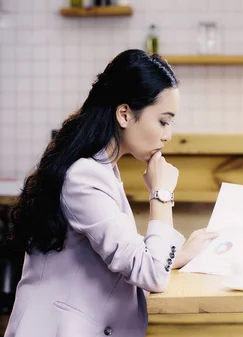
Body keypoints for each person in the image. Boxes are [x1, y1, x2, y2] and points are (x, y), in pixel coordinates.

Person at [5, 49, 217, 337]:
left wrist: (179, 255)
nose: (167, 135)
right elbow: (151, 275)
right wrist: (162, 193)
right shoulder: (84, 176)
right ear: (125, 114)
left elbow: (123, 253)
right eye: (163, 121)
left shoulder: (101, 170)